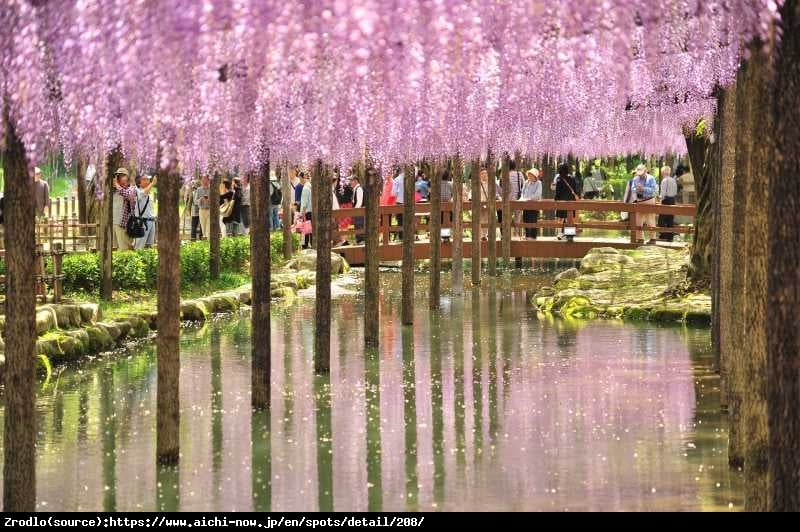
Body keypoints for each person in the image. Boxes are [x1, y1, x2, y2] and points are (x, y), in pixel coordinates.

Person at [630, 163, 658, 242]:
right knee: (638, 220)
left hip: (649, 200)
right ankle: (640, 238)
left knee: (650, 220)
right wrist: (637, 189)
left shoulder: (651, 178)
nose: (640, 176)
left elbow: (653, 190)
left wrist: (643, 189)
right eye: (639, 174)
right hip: (639, 200)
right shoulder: (635, 179)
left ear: (645, 171)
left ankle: (653, 239)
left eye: (641, 174)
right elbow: (632, 189)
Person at [551, 163, 580, 239]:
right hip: (570, 202)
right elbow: (576, 190)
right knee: (569, 219)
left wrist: (556, 201)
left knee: (560, 219)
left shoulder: (559, 179)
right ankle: (569, 235)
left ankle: (560, 234)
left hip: (561, 202)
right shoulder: (573, 178)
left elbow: (558, 192)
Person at [112, 167, 137, 251]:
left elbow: (129, 196)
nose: (119, 178)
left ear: (127, 177)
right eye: (118, 176)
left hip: (123, 223)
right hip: (113, 222)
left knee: (125, 248)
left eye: (122, 175)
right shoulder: (114, 190)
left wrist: (117, 185)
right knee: (116, 249)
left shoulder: (131, 189)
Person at [133, 174, 157, 249]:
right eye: (145, 179)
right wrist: (153, 184)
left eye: (148, 179)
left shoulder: (149, 193)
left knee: (149, 248)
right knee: (139, 247)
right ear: (139, 182)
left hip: (151, 222)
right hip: (142, 223)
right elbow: (142, 194)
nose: (149, 181)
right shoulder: (137, 191)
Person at [520, 168, 542, 239]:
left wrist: (528, 199)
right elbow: (522, 192)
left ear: (535, 176)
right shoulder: (526, 182)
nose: (529, 176)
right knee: (525, 219)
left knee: (532, 220)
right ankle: (527, 236)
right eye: (528, 175)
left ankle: (533, 237)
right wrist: (522, 199)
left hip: (534, 206)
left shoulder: (538, 183)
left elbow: (537, 195)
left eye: (531, 175)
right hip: (525, 205)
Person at [658, 165, 678, 241]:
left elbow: (663, 193)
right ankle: (670, 236)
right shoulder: (673, 180)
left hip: (666, 200)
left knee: (662, 219)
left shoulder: (664, 180)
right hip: (672, 200)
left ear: (663, 172)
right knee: (670, 218)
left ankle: (663, 235)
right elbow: (675, 192)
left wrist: (660, 199)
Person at [194, 174, 211, 240]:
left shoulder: (211, 189)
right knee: (203, 229)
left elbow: (216, 201)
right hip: (201, 210)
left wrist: (209, 200)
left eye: (205, 179)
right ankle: (205, 243)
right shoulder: (199, 189)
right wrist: (200, 199)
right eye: (203, 179)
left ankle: (209, 242)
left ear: (208, 180)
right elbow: (195, 201)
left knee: (208, 229)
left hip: (209, 210)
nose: (204, 181)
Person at [391, 168, 405, 240]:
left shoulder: (396, 180)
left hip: (399, 202)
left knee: (400, 220)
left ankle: (401, 237)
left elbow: (393, 193)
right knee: (408, 220)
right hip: (408, 203)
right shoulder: (410, 178)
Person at [351, 174, 365, 244]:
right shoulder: (355, 189)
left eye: (352, 181)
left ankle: (361, 240)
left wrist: (355, 210)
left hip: (359, 211)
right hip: (357, 211)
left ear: (356, 181)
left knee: (359, 225)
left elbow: (359, 202)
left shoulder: (359, 189)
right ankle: (359, 240)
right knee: (357, 225)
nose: (351, 183)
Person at [300, 172, 313, 248]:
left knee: (305, 230)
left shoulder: (305, 188)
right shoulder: (310, 187)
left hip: (307, 212)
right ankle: (311, 244)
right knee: (310, 230)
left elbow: (304, 203)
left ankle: (305, 246)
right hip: (311, 212)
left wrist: (302, 214)